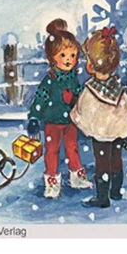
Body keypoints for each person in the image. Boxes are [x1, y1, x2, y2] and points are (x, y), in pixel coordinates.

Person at [70, 26, 127, 209]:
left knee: (102, 163)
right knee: (116, 159)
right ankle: (115, 191)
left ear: (91, 65)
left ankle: (103, 197)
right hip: (116, 132)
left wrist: (76, 114)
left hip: (101, 134)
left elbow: (83, 109)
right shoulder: (116, 86)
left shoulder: (91, 90)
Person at [26, 18, 92, 199]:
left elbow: (78, 95)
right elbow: (40, 98)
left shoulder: (73, 78)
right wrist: (34, 117)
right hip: (53, 122)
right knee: (52, 150)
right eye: (63, 55)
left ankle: (76, 176)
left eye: (72, 55)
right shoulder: (50, 80)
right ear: (52, 58)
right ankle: (52, 181)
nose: (68, 60)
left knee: (72, 147)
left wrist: (80, 103)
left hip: (70, 121)